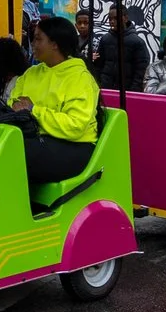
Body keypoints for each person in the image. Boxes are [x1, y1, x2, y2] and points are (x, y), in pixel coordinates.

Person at [9, 15, 100, 191]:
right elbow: (13, 102)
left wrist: (34, 110)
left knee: (13, 154)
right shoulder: (32, 72)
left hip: (76, 146)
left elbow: (75, 125)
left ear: (55, 44)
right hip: (36, 139)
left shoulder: (79, 78)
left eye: (37, 39)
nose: (33, 44)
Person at [90, 2, 152, 96]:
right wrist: (99, 84)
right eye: (110, 19)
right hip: (105, 90)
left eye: (115, 18)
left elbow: (141, 70)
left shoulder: (137, 42)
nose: (112, 21)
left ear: (126, 18)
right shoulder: (105, 39)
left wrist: (133, 91)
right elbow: (99, 65)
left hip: (127, 92)